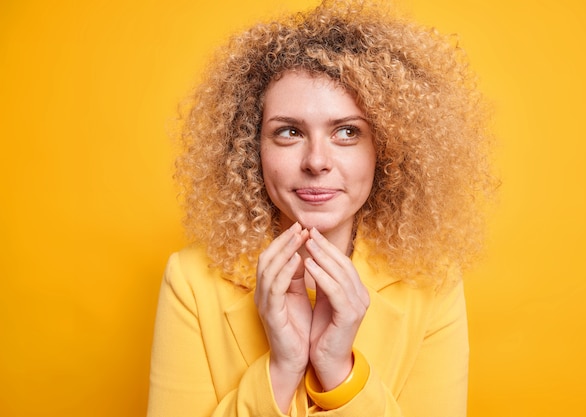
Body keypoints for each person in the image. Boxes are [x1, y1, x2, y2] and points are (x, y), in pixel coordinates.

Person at [147, 0, 495, 416]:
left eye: (347, 132)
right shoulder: (190, 282)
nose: (316, 161)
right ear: (249, 147)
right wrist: (282, 367)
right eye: (289, 132)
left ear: (385, 149)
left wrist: (337, 370)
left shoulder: (432, 282)